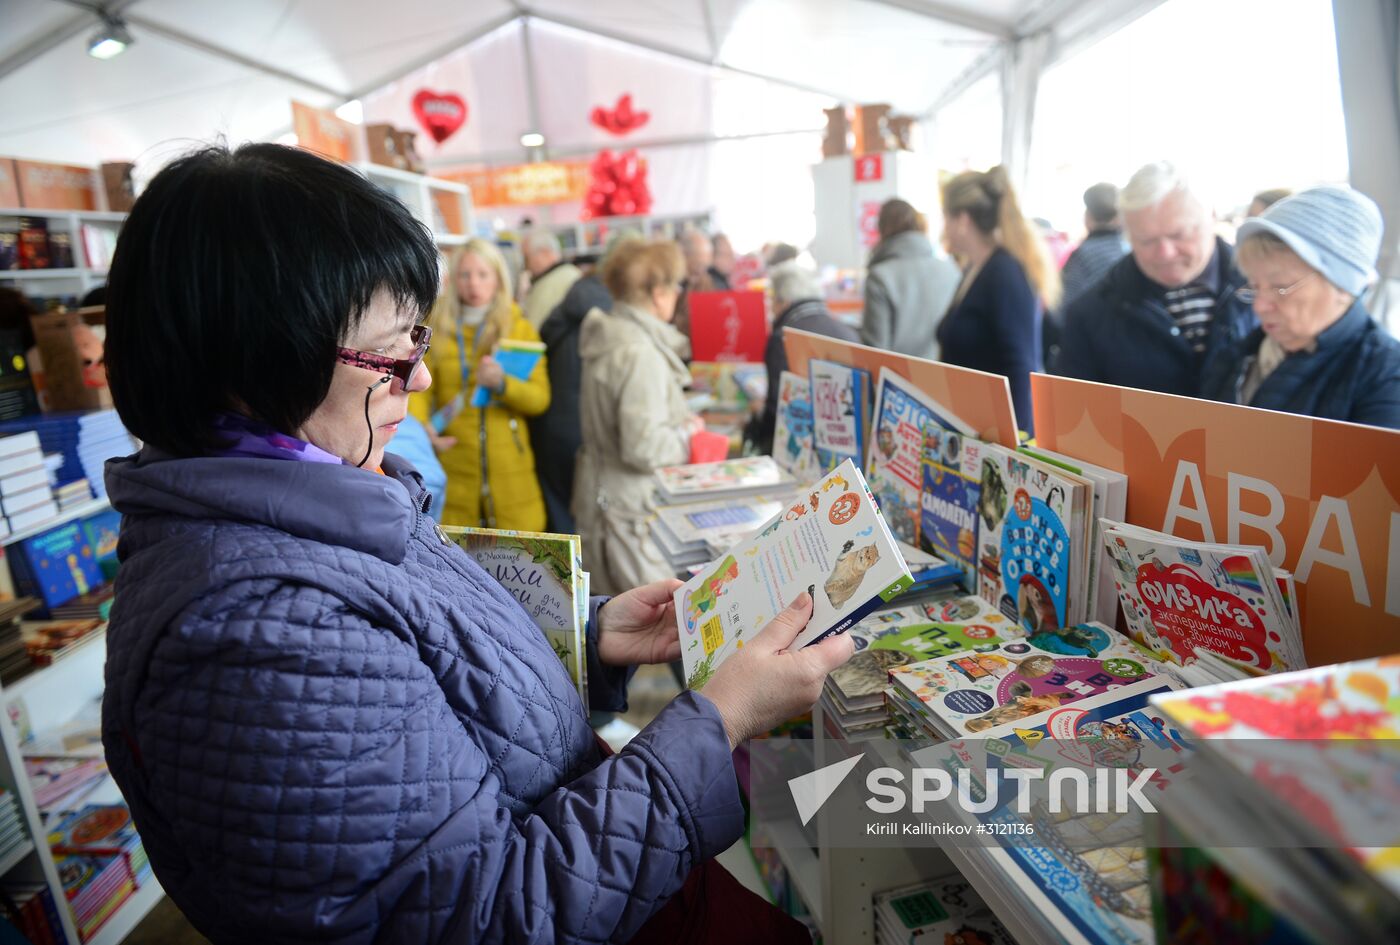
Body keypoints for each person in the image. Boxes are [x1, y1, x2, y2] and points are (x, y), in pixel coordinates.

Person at [100, 142, 849, 944]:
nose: (417, 380)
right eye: (389, 353)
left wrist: (589, 640)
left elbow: (431, 695)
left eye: (416, 341)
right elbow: (490, 915)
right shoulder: (252, 634)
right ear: (255, 359)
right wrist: (717, 722)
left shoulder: (312, 498)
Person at [1201, 186, 1400, 428]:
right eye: (1254, 286)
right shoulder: (1237, 357)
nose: (1260, 306)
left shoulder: (1384, 375)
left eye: (1280, 287)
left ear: (1342, 286)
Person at [1054, 162, 1255, 396]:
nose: (1165, 253)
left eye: (1178, 234)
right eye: (1146, 241)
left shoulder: (1267, 289)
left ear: (1211, 217)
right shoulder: (1091, 313)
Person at [573, 240, 701, 594]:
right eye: (676, 286)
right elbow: (643, 446)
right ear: (659, 293)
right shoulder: (639, 352)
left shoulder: (611, 337)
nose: (678, 295)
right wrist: (688, 435)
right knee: (652, 624)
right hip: (630, 514)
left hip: (602, 500)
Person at [409, 238, 550, 530]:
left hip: (512, 472)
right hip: (454, 459)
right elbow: (417, 388)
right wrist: (422, 432)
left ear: (498, 278)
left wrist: (503, 385)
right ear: (454, 279)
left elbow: (539, 398)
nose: (474, 284)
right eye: (465, 274)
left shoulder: (519, 328)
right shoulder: (438, 327)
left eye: (483, 274)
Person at [936, 166, 1059, 434]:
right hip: (973, 426)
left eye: (945, 217)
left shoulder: (1004, 273)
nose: (943, 227)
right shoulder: (975, 269)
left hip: (998, 435)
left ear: (962, 220)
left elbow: (1021, 363)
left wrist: (1016, 442)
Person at [530, 240, 627, 534]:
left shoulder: (569, 301)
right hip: (588, 427)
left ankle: (567, 577)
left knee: (561, 515)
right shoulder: (615, 314)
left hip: (552, 423)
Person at [745, 262, 859, 453]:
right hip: (848, 445)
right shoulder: (849, 333)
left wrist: (757, 418)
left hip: (800, 449)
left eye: (773, 302)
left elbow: (777, 408)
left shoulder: (784, 337)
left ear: (784, 302)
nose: (772, 310)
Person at [860, 198, 960, 360]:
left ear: (882, 229)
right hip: (947, 378)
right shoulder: (951, 270)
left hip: (897, 381)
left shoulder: (880, 277)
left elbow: (875, 353)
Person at [1046, 183, 1130, 365]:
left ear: (1088, 216)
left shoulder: (1083, 256)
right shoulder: (1131, 251)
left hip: (1090, 356)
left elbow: (1060, 312)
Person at [673, 228, 728, 342]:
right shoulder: (670, 284)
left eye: (705, 266)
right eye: (698, 265)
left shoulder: (711, 282)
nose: (701, 271)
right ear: (683, 257)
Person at [520, 230, 581, 330]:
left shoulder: (555, 280)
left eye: (527, 257)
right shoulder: (569, 273)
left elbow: (534, 328)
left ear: (545, 252)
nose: (526, 265)